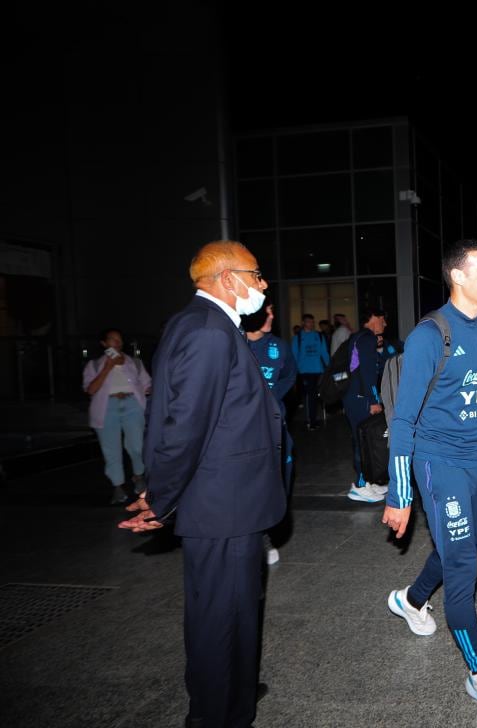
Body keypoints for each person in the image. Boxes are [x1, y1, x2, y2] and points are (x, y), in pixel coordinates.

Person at [119, 240, 286, 728]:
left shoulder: (197, 323)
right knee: (221, 616)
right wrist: (161, 498)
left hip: (226, 500)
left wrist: (161, 492)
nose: (263, 284)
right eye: (256, 276)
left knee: (233, 609)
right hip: (222, 503)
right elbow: (184, 425)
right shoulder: (210, 331)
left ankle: (234, 692)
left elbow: (174, 412)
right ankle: (216, 713)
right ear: (228, 279)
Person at [382, 238, 477, 720]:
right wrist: (400, 492)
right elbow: (403, 420)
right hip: (436, 463)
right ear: (458, 276)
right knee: (464, 563)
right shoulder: (429, 335)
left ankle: (410, 598)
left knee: (463, 546)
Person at [244, 303, 297, 566]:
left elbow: (289, 375)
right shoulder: (233, 343)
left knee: (278, 480)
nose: (273, 316)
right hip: (242, 432)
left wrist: (272, 398)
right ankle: (252, 537)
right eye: (268, 311)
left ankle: (268, 534)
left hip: (274, 426)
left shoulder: (279, 346)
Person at [82, 328, 152, 504]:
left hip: (132, 404)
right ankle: (118, 487)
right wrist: (108, 367)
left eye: (119, 339)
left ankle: (138, 476)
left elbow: (147, 385)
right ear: (104, 344)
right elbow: (90, 389)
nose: (117, 343)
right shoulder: (94, 365)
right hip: (106, 407)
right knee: (111, 449)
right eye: (112, 340)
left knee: (137, 445)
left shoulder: (134, 363)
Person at [345, 307, 389, 503]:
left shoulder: (358, 337)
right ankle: (360, 485)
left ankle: (368, 481)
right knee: (362, 443)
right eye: (382, 319)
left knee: (363, 442)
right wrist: (374, 400)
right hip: (361, 398)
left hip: (354, 397)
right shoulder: (368, 338)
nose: (385, 324)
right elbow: (368, 372)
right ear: (372, 318)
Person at [292, 313, 330, 430]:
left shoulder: (318, 336)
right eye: (309, 321)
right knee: (310, 396)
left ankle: (313, 420)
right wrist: (294, 372)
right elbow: (294, 355)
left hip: (318, 370)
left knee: (316, 396)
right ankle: (311, 421)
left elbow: (324, 352)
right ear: (303, 323)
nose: (311, 324)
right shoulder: (297, 338)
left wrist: (330, 367)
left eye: (312, 322)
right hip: (304, 371)